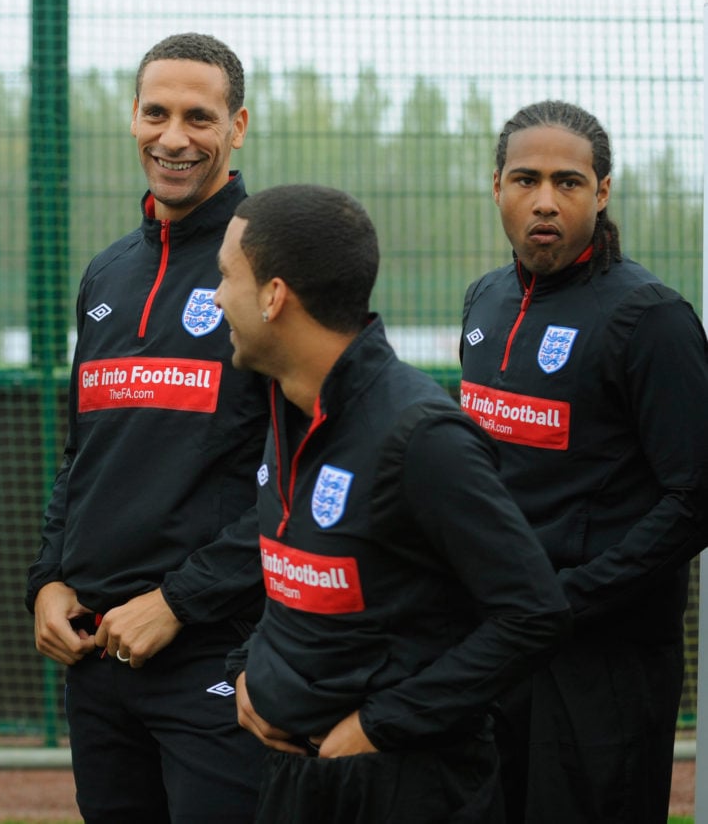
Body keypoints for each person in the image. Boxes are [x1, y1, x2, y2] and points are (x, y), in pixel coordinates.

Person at [217, 184, 573, 823]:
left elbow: (532, 614)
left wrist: (382, 725)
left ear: (274, 297)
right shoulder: (286, 407)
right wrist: (251, 672)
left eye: (225, 277)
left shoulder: (421, 436)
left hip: (404, 785)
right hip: (295, 774)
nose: (217, 298)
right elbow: (291, 572)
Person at [25, 32, 270, 823]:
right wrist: (49, 579)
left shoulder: (273, 266)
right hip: (97, 655)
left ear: (237, 127)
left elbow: (307, 478)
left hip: (215, 649)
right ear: (132, 118)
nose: (173, 138)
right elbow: (81, 455)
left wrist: (180, 602)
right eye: (155, 113)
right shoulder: (107, 273)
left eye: (198, 117)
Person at [459, 100, 708, 823]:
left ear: (601, 193)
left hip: (603, 662)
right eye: (526, 179)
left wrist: (571, 599)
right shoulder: (486, 300)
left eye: (568, 183)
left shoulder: (651, 319)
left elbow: (694, 497)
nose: (545, 200)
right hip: (493, 642)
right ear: (496, 185)